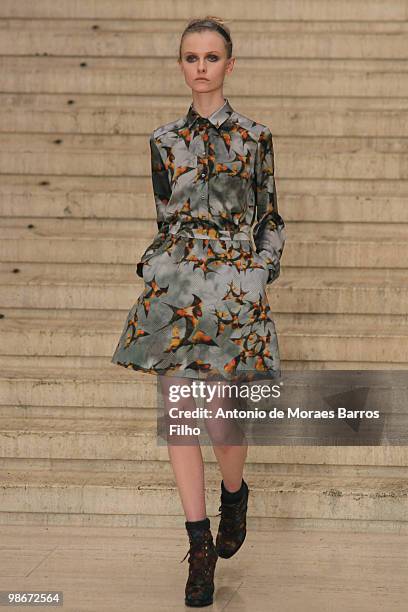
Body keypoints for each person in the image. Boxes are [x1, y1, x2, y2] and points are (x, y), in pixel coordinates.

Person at [111, 15, 286, 607]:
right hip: (176, 286)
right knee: (179, 412)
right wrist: (152, 266)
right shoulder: (164, 142)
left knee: (221, 417)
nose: (201, 67)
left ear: (229, 65)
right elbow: (165, 220)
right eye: (191, 57)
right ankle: (199, 546)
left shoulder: (255, 138)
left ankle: (234, 494)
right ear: (182, 65)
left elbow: (272, 220)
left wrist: (260, 271)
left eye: (211, 57)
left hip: (235, 287)